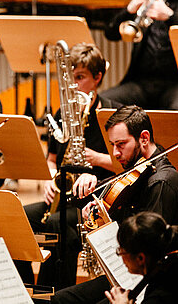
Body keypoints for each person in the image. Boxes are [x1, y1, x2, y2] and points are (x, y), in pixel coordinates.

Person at [52, 105, 178, 304]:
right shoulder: (137, 170)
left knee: (64, 301)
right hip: (127, 272)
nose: (115, 153)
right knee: (62, 298)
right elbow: (79, 199)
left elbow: (149, 250)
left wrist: (108, 221)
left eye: (121, 144)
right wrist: (89, 180)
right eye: (112, 145)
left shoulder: (161, 182)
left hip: (145, 280)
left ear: (144, 138)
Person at [20, 43, 121, 289]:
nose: (74, 85)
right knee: (17, 218)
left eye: (81, 77)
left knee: (57, 224)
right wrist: (49, 179)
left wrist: (95, 160)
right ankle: (23, 288)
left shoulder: (111, 114)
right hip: (62, 197)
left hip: (96, 201)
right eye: (70, 79)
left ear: (97, 78)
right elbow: (52, 159)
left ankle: (54, 294)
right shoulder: (63, 112)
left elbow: (124, 164)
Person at [103, 0, 178, 110]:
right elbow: (110, 32)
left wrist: (170, 16)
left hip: (174, 83)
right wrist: (130, 9)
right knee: (104, 104)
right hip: (141, 83)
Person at [105, 211, 178, 304]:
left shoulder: (159, 297)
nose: (121, 256)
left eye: (121, 251)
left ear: (140, 258)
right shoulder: (170, 268)